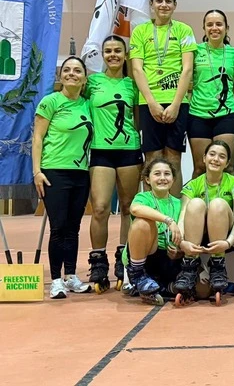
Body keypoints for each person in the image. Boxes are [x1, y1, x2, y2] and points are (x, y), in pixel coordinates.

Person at [85, 35, 143, 293]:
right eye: (108, 51)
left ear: (125, 54)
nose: (113, 55)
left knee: (129, 207)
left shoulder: (133, 84)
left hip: (129, 151)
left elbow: (138, 120)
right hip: (101, 151)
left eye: (117, 51)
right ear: (103, 55)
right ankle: (98, 261)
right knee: (100, 208)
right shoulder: (92, 83)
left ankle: (124, 259)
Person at [32, 56, 93, 299]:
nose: (71, 74)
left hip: (81, 173)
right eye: (67, 70)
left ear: (84, 78)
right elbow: (37, 138)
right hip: (54, 172)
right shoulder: (51, 102)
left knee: (73, 228)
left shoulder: (88, 104)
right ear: (60, 76)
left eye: (77, 70)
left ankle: (71, 276)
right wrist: (37, 172)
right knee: (58, 227)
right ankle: (56, 280)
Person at [130, 0, 197, 196]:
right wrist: (151, 102)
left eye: (168, 1)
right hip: (148, 103)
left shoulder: (184, 30)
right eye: (159, 0)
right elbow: (137, 69)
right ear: (151, 4)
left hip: (177, 103)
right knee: (152, 159)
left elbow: (187, 69)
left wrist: (176, 104)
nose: (164, 5)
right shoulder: (140, 31)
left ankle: (174, 209)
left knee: (174, 158)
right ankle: (151, 209)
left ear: (175, 5)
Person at [175, 140, 234, 302]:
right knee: (195, 203)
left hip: (226, 236)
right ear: (204, 158)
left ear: (227, 163)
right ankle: (189, 265)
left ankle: (218, 263)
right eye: (212, 154)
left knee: (217, 204)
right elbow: (182, 216)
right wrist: (182, 243)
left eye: (222, 156)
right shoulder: (192, 185)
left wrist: (228, 242)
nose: (216, 159)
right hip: (199, 236)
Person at [122, 158, 183, 305]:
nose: (162, 178)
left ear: (173, 179)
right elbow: (135, 209)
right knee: (142, 223)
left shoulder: (179, 203)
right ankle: (137, 275)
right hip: (147, 257)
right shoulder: (143, 198)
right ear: (147, 180)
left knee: (202, 289)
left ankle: (164, 286)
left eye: (167, 174)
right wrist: (168, 220)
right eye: (157, 174)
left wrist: (180, 252)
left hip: (169, 258)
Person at [188, 9, 234, 176]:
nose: (214, 28)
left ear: (227, 28)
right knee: (200, 167)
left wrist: (227, 90)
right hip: (198, 114)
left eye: (219, 24)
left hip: (226, 115)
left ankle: (230, 195)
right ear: (204, 28)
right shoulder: (194, 51)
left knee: (228, 167)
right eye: (209, 24)